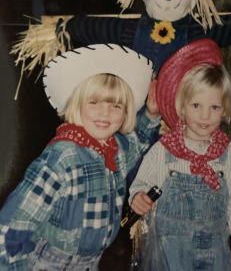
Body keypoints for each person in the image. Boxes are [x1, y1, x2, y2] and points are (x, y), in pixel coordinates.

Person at [0, 44, 160, 270]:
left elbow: (138, 140)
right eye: (94, 102)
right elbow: (15, 223)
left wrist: (152, 114)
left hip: (90, 263)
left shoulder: (114, 148)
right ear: (76, 105)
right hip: (50, 263)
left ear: (126, 112)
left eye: (115, 105)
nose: (105, 113)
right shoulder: (62, 157)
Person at [129, 38, 231, 270]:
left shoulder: (229, 155)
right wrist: (138, 196)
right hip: (169, 253)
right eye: (196, 105)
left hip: (215, 252)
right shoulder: (164, 150)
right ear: (182, 106)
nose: (205, 116)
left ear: (225, 110)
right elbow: (142, 184)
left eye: (214, 107)